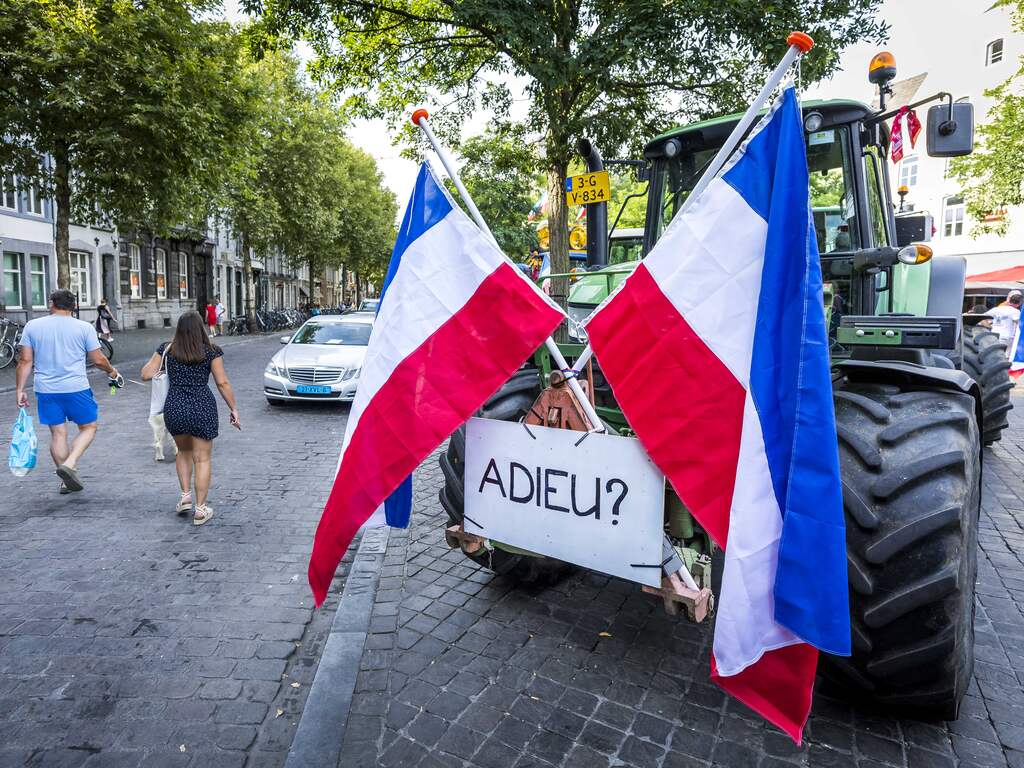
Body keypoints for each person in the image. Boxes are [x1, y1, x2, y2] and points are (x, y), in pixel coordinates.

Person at [14, 289, 120, 494]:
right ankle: (69, 464)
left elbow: (25, 361)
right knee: (89, 427)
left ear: (52, 303)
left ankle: (65, 480)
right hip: (76, 388)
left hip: (46, 389)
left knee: (58, 434)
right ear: (73, 306)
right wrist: (113, 372)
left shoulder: (33, 326)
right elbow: (98, 360)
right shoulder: (83, 327)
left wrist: (20, 389)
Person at [141, 310, 240, 525]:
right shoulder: (211, 351)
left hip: (175, 406)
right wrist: (233, 409)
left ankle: (185, 496)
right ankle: (201, 509)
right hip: (202, 406)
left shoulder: (167, 349)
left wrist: (163, 363)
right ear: (201, 329)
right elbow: (222, 383)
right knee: (202, 459)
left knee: (183, 452)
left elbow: (146, 374)